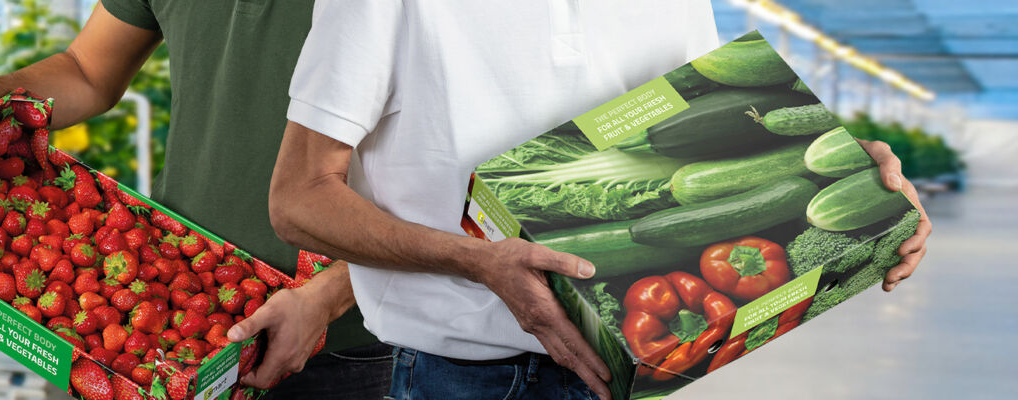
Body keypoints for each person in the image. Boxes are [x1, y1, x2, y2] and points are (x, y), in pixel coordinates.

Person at [261, 1, 934, 399]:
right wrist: (477, 260)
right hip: (464, 378)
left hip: (641, 358)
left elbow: (725, 133)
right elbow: (299, 198)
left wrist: (848, 173)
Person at [0, 1, 391, 397]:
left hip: (346, 347)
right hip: (171, 316)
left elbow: (458, 177)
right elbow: (88, 70)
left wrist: (330, 296)